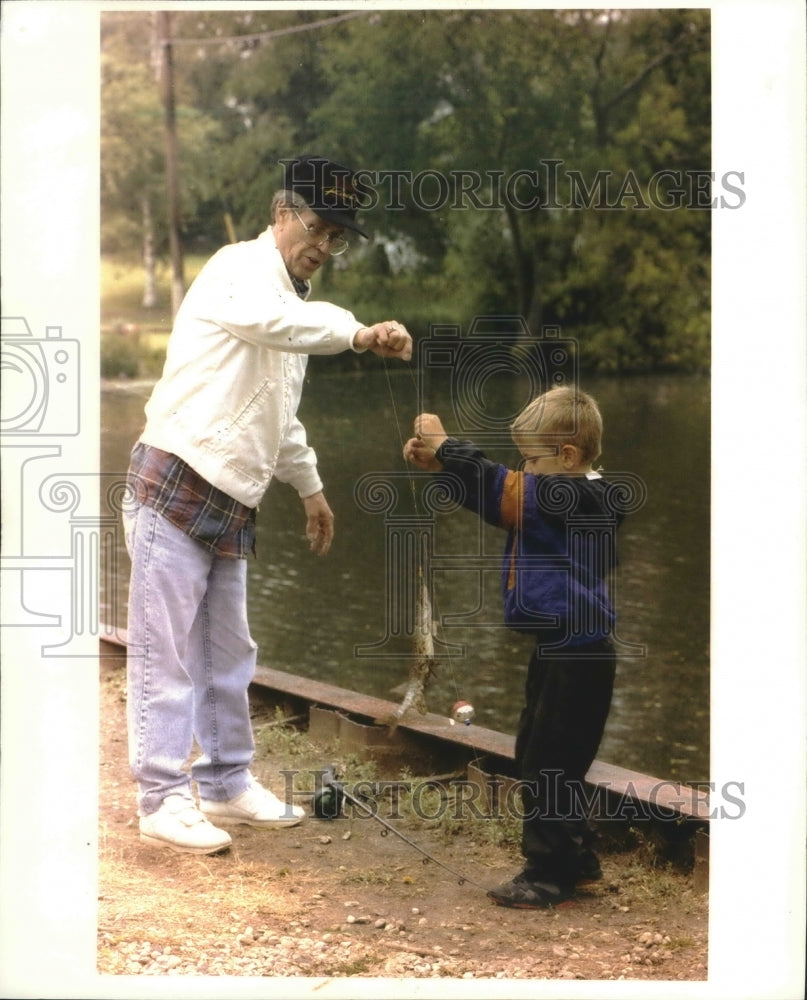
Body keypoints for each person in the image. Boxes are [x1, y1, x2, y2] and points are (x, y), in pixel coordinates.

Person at [123, 155, 412, 855]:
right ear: (283, 214)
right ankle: (159, 799)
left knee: (229, 652)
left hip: (234, 496)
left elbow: (279, 415)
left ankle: (225, 783)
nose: (323, 243)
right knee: (165, 653)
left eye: (337, 235)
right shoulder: (239, 272)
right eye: (317, 226)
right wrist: (359, 332)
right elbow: (283, 325)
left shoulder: (292, 301)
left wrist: (310, 489)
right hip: (176, 479)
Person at [403, 386, 622, 909]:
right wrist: (445, 468)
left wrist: (448, 444)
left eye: (530, 459)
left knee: (550, 760)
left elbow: (502, 484)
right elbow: (499, 499)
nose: (522, 469)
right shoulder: (555, 494)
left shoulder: (584, 498)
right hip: (561, 648)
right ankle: (578, 857)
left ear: (567, 457)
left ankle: (547, 876)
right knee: (540, 752)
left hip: (581, 655)